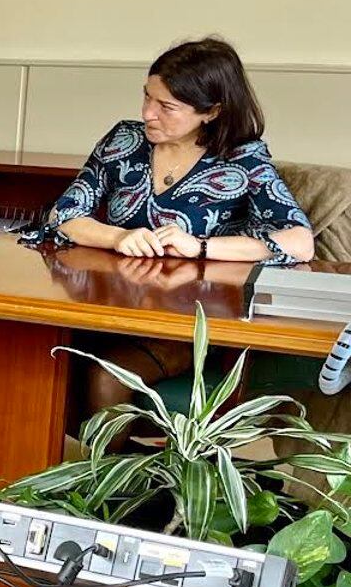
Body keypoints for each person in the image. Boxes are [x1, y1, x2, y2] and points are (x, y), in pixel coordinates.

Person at [24, 37, 314, 414]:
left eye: (166, 106)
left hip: (187, 325)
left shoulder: (242, 157)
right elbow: (63, 215)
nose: (147, 113)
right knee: (28, 355)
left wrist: (201, 246)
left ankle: (111, 473)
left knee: (106, 380)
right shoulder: (124, 140)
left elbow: (299, 241)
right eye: (146, 97)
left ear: (210, 112)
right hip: (107, 307)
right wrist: (119, 236)